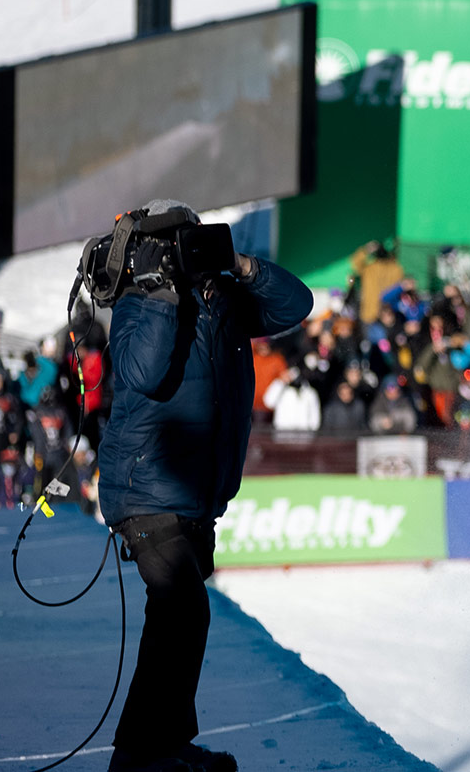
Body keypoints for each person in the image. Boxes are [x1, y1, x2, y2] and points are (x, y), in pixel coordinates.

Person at [98, 200, 312, 772]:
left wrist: (241, 266)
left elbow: (296, 305)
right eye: (180, 243)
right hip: (145, 486)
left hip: (192, 492)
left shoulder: (223, 297)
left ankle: (161, 748)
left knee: (180, 617)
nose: (189, 252)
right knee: (183, 608)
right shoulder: (138, 300)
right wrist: (161, 291)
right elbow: (142, 371)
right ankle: (139, 757)